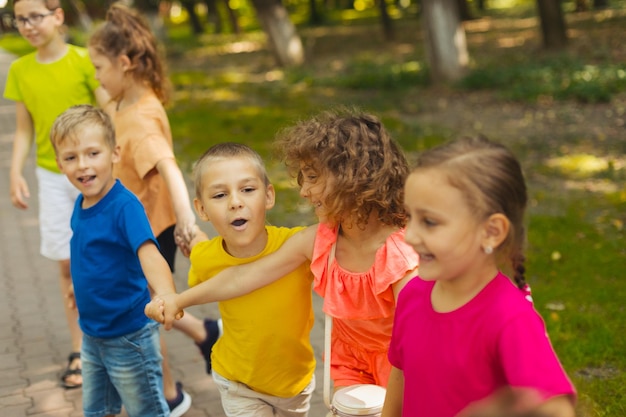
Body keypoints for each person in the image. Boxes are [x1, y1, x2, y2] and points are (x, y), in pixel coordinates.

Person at [148, 109, 419, 389]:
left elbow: (414, 345)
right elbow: (244, 277)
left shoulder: (399, 258)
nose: (303, 191)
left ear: (352, 178)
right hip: (350, 364)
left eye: (313, 177)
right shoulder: (319, 240)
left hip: (402, 367)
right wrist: (181, 300)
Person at [381, 136, 576, 417]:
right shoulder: (412, 294)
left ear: (491, 231)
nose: (410, 235)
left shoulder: (511, 319)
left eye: (430, 222)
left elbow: (555, 409)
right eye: (409, 216)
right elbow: (400, 376)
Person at [87, 3, 219, 415]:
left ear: (125, 64)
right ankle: (204, 332)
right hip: (137, 222)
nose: (96, 77)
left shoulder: (139, 118)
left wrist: (186, 219)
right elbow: (105, 108)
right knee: (144, 298)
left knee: (145, 308)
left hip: (149, 228)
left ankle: (168, 394)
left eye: (99, 68)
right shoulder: (127, 99)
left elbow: (168, 165)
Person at [150, 142, 317, 416]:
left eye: (248, 190)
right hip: (238, 382)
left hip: (294, 383)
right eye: (219, 195)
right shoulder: (206, 257)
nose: (235, 202)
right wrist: (190, 235)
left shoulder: (297, 245)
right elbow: (201, 253)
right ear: (202, 209)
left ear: (269, 196)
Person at [3, 0, 111, 389]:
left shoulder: (85, 61)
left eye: (36, 16)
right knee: (66, 267)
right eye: (20, 19)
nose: (28, 25)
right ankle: (80, 348)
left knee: (107, 258)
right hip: (51, 176)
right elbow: (26, 128)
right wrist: (16, 172)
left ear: (58, 16)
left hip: (96, 176)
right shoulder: (19, 69)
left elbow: (108, 114)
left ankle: (117, 340)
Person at [50, 104, 177, 417]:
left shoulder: (124, 206)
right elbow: (87, 254)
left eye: (93, 153)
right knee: (96, 411)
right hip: (92, 337)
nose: (82, 165)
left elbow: (149, 253)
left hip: (130, 338)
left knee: (146, 412)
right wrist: (76, 290)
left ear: (114, 153)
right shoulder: (82, 203)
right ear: (59, 164)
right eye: (71, 157)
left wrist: (165, 293)